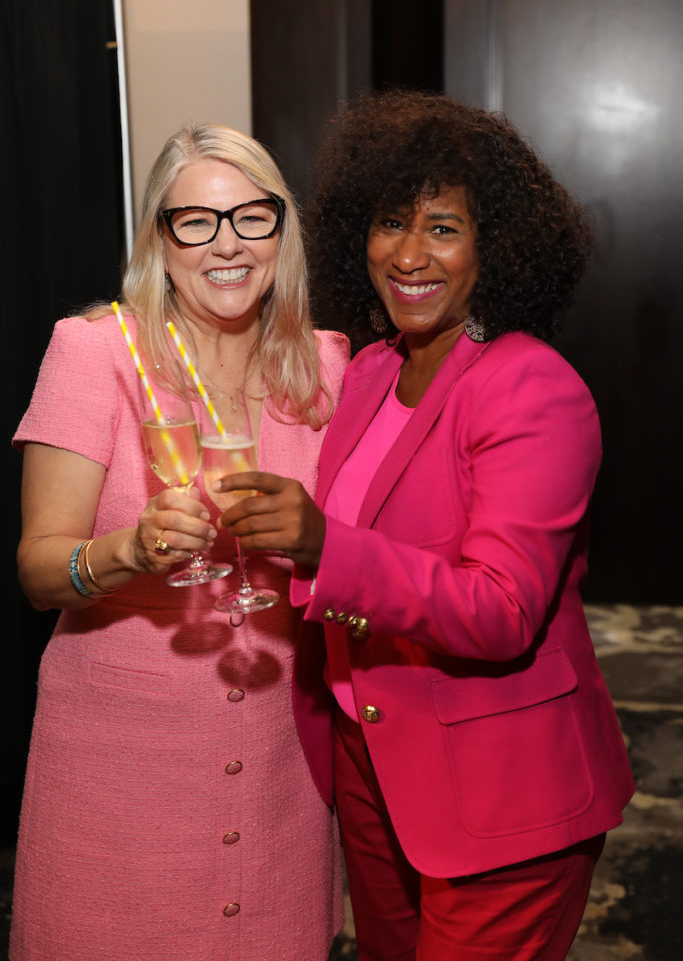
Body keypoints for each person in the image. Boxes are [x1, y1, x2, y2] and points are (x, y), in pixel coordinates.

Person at [215, 91, 636, 960]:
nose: (408, 255)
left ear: (498, 247)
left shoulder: (530, 388)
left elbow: (501, 610)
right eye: (389, 223)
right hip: (378, 766)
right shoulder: (371, 371)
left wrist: (327, 550)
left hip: (501, 792)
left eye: (442, 229)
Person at [11, 122, 349, 960]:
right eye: (194, 221)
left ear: (282, 229)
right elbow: (38, 570)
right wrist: (128, 550)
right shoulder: (96, 352)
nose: (225, 244)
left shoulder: (327, 366)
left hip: (282, 766)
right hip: (119, 770)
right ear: (159, 239)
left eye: (250, 218)